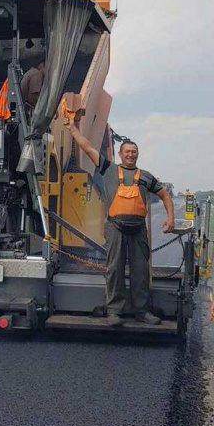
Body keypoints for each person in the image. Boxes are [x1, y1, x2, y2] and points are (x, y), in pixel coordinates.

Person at [64, 117, 175, 326]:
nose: (131, 154)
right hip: (115, 227)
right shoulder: (108, 169)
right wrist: (72, 129)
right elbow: (87, 148)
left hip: (138, 230)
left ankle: (142, 311)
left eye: (134, 152)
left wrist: (170, 218)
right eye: (127, 151)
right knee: (114, 268)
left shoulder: (146, 176)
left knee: (140, 269)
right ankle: (114, 312)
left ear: (137, 155)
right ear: (121, 154)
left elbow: (165, 196)